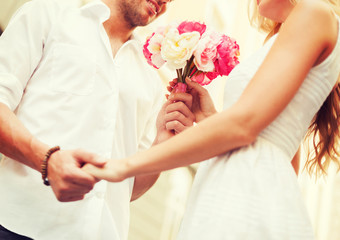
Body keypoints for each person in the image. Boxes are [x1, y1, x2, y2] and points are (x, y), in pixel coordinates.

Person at [85, 0, 340, 238]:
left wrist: (123, 166)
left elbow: (244, 126)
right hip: (239, 183)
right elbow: (279, 155)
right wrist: (209, 118)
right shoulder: (284, 33)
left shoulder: (313, 12)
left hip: (242, 195)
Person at [0, 0, 196, 239]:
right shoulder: (47, 14)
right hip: (20, 227)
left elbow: (128, 189)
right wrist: (47, 161)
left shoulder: (151, 79)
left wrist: (162, 143)